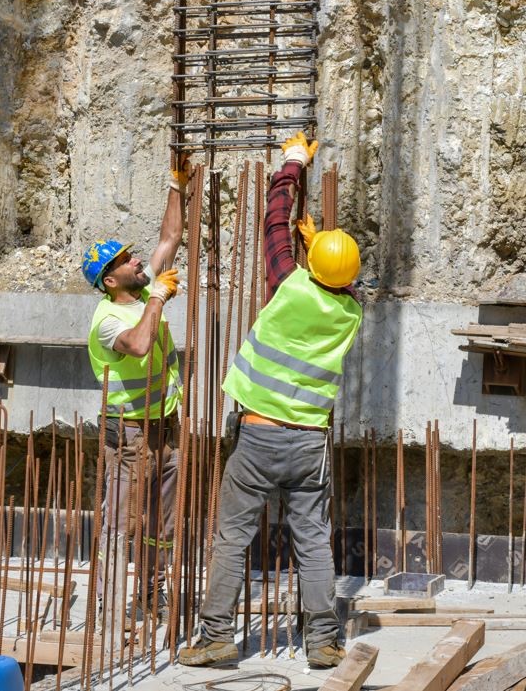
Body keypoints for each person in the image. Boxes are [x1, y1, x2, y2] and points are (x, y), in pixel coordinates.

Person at [179, 133, 363, 669]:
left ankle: (216, 637)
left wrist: (293, 163)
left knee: (233, 537)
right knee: (312, 539)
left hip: (258, 435)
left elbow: (273, 219)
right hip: (309, 443)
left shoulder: (288, 286)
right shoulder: (351, 312)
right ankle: (324, 642)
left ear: (309, 266)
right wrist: (318, 249)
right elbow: (345, 283)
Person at [81, 157, 191, 622]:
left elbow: (170, 238)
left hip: (165, 425)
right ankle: (107, 607)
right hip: (126, 436)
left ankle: (151, 596)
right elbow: (141, 345)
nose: (138, 259)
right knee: (121, 522)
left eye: (132, 254)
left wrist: (176, 185)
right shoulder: (107, 320)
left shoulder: (144, 293)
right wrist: (161, 299)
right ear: (110, 280)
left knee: (161, 520)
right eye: (126, 260)